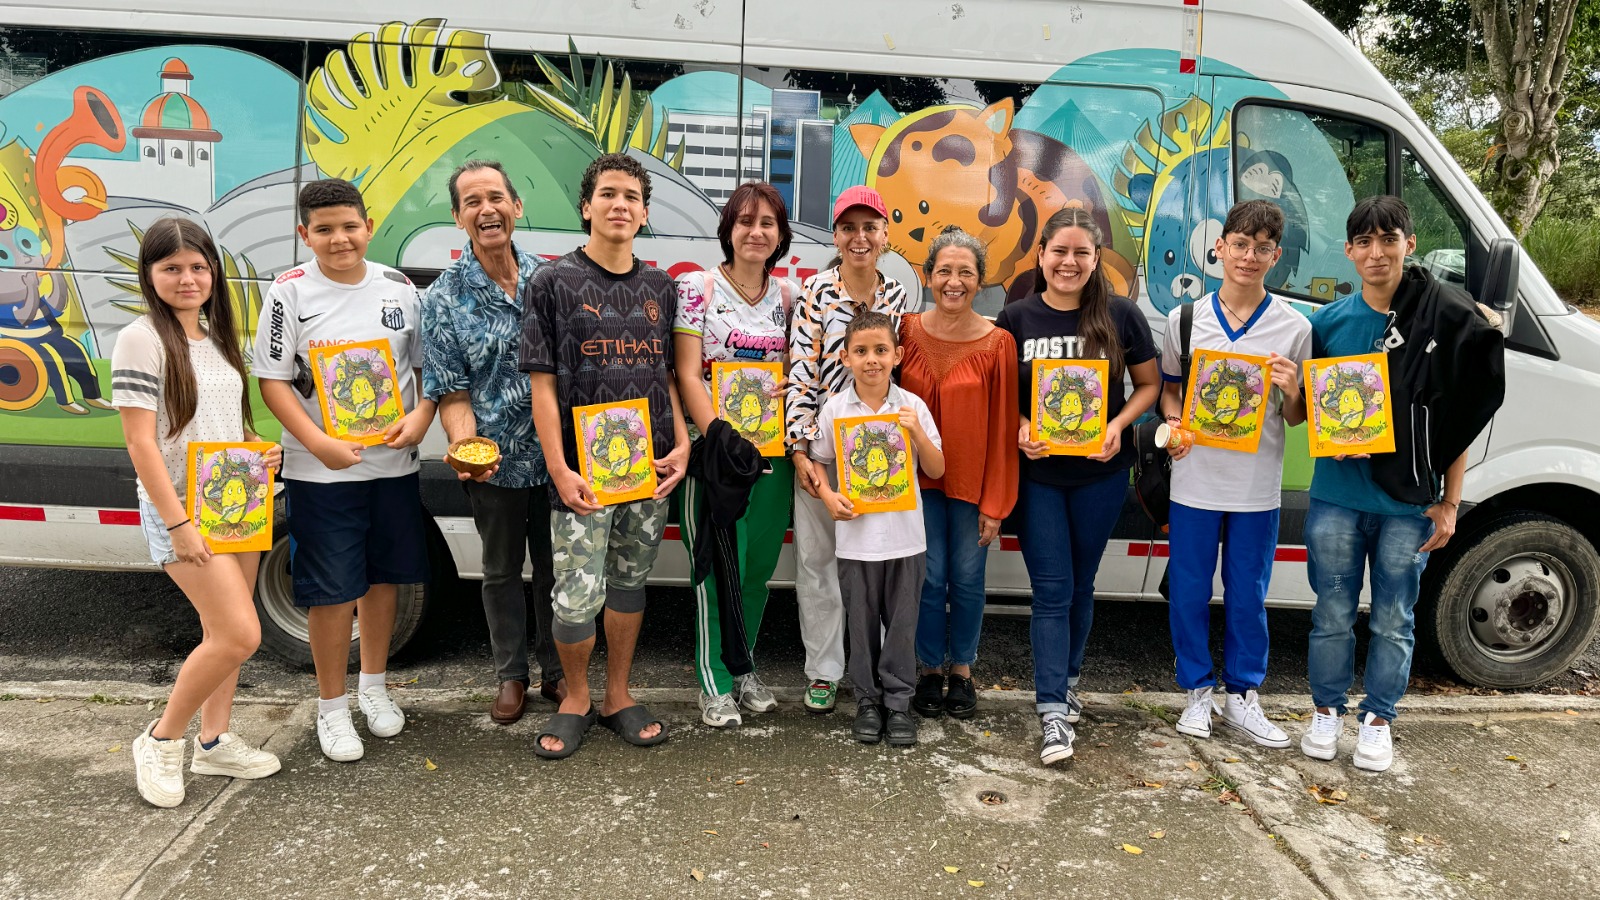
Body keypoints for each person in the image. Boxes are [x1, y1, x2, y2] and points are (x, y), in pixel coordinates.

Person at [1299, 195, 1503, 771]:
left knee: (1394, 619)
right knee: (1331, 614)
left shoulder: (1440, 320)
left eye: (1388, 239)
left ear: (1409, 245)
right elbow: (1307, 410)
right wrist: (1311, 407)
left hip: (1407, 504)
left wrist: (1450, 502)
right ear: (1348, 251)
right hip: (1336, 497)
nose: (1377, 252)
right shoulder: (1327, 323)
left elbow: (1455, 422)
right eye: (1364, 242)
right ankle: (1326, 711)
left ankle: (1379, 719)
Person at [255, 179, 436, 763]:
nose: (340, 239)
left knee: (384, 582)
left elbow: (423, 369)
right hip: (320, 472)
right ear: (304, 234)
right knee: (332, 592)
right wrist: (317, 443)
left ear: (369, 226)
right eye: (325, 229)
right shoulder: (288, 293)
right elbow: (273, 382)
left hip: (393, 466)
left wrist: (422, 417)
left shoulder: (399, 288)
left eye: (350, 226)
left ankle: (374, 688)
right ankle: (331, 707)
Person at [520, 152, 690, 759]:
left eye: (632, 197)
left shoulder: (661, 288)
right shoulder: (552, 283)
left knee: (628, 585)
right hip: (581, 474)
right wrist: (558, 468)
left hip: (647, 469)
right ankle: (576, 697)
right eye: (609, 194)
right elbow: (542, 384)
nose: (620, 205)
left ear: (644, 214)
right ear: (586, 206)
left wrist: (683, 442)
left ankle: (618, 694)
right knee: (574, 596)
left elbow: (666, 374)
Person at [116, 217, 283, 807]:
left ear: (213, 272)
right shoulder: (141, 339)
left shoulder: (216, 339)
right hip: (183, 510)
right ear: (150, 274)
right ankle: (161, 739)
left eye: (198, 266)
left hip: (235, 500)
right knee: (241, 633)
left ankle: (214, 743)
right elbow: (140, 443)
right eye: (172, 268)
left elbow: (221, 423)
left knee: (224, 634)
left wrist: (258, 447)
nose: (187, 278)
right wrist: (178, 525)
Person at [994, 208, 1160, 766]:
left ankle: (1066, 683)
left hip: (1101, 476)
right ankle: (1051, 712)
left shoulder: (1121, 314)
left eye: (1080, 253)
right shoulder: (1015, 317)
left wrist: (1119, 426)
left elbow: (1148, 385)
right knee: (1052, 589)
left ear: (1096, 259)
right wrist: (1020, 425)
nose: (1069, 262)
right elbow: (1002, 393)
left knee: (1081, 585)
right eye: (1059, 251)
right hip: (1038, 477)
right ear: (1040, 255)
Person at [1158, 199, 1311, 749]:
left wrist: (1291, 390)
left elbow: (1296, 418)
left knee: (1248, 594)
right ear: (1219, 248)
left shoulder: (1294, 327)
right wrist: (1173, 422)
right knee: (1189, 592)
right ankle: (1197, 691)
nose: (1249, 257)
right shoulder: (1185, 320)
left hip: (1256, 487)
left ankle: (1243, 695)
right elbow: (1170, 391)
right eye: (1240, 244)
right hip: (1194, 482)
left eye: (1262, 248)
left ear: (1276, 256)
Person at [422, 160, 564, 726]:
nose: (487, 210)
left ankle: (557, 670)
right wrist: (466, 450)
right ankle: (511, 674)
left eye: (496, 198)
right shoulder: (443, 297)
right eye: (473, 202)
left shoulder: (552, 280)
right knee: (501, 571)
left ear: (516, 207)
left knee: (557, 569)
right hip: (495, 464)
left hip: (557, 458)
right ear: (459, 217)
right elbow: (453, 393)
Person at [673, 181, 797, 728]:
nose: (756, 232)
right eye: (746, 221)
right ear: (728, 229)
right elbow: (685, 372)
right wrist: (719, 436)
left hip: (772, 453)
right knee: (715, 571)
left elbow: (799, 368)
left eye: (768, 223)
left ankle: (743, 668)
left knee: (756, 570)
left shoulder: (790, 296)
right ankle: (715, 683)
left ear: (781, 234)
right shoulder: (696, 288)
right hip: (716, 454)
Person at [786, 186, 914, 714]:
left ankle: (877, 672)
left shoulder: (898, 297)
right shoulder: (815, 293)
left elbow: (901, 375)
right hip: (822, 452)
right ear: (836, 236)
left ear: (885, 235)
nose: (859, 237)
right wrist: (800, 452)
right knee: (817, 564)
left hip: (879, 455)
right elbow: (801, 374)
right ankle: (823, 671)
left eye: (870, 227)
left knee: (876, 567)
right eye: (848, 228)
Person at [805, 310, 944, 746]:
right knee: (862, 627)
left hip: (906, 541)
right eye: (861, 351)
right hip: (856, 543)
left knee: (902, 625)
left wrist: (917, 433)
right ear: (845, 357)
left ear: (897, 355)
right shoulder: (835, 409)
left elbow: (937, 469)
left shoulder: (912, 407)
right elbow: (817, 462)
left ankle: (898, 703)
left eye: (881, 350)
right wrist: (828, 497)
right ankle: (867, 700)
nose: (872, 360)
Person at [899, 226, 1018, 721]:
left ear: (980, 281)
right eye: (944, 271)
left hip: (972, 486)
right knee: (929, 578)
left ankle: (963, 669)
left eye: (965, 272)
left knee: (967, 578)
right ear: (928, 276)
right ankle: (930, 667)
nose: (954, 281)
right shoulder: (904, 332)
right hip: (915, 484)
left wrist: (996, 502)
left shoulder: (999, 343)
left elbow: (1004, 425)